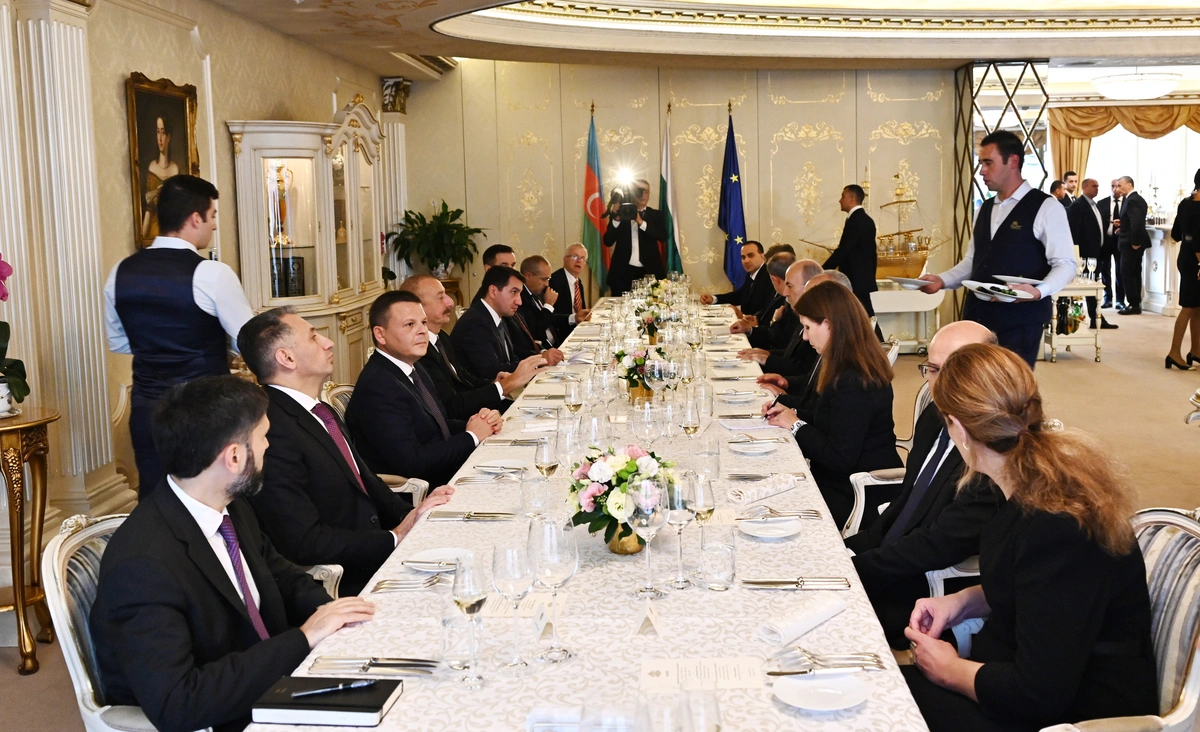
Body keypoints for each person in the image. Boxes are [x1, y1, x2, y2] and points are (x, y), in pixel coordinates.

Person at [90, 375, 377, 732]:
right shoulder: (143, 565)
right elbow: (178, 702)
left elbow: (283, 577)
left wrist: (335, 615)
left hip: (274, 680)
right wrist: (303, 638)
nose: (269, 446)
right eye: (264, 436)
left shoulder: (229, 506)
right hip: (229, 717)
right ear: (235, 456)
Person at [902, 343, 1157, 732]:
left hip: (1077, 712)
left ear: (959, 429)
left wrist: (949, 670)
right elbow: (1041, 590)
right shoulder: (1030, 481)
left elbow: (1038, 693)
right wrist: (962, 602)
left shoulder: (1057, 524)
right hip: (1030, 678)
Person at [236, 307, 454, 596]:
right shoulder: (271, 430)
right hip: (347, 580)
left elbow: (365, 481)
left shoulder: (319, 411)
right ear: (286, 358)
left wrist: (415, 516)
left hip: (380, 549)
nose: (329, 343)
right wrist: (393, 538)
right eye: (314, 337)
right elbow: (304, 540)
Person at [847, 321, 1005, 649]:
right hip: (892, 557)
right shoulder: (934, 415)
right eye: (934, 369)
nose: (941, 382)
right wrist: (847, 550)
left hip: (926, 589)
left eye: (958, 370)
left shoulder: (992, 451)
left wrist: (852, 571)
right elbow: (907, 503)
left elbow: (938, 544)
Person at [105, 174, 253, 498]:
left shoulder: (120, 272)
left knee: (157, 498)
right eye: (212, 216)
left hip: (147, 410)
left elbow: (119, 342)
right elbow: (248, 339)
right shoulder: (213, 274)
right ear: (195, 218)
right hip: (206, 411)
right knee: (213, 498)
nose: (214, 225)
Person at [919, 130, 1076, 368]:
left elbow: (1066, 264)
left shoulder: (1046, 207)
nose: (981, 170)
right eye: (981, 163)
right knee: (973, 382)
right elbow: (974, 262)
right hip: (977, 316)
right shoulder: (985, 209)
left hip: (1020, 320)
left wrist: (1038, 291)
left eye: (988, 163)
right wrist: (942, 280)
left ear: (1012, 161)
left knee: (1011, 384)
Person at [764, 281, 902, 529]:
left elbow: (839, 458)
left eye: (807, 328)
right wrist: (790, 412)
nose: (804, 336)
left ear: (828, 325)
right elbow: (831, 417)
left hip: (857, 492)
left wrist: (796, 425)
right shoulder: (847, 364)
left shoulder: (854, 379)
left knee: (771, 504)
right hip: (841, 479)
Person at [347, 292, 503, 487]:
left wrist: (477, 423)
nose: (422, 331)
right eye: (409, 325)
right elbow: (412, 462)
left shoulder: (413, 366)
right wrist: (471, 436)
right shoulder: (378, 387)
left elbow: (437, 425)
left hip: (445, 472)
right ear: (380, 334)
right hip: (423, 491)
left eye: (423, 322)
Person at [401, 275, 545, 417]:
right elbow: (452, 406)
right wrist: (508, 384)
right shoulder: (419, 352)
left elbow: (464, 378)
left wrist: (494, 383)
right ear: (417, 307)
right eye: (440, 297)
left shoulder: (441, 337)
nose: (450, 302)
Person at [754, 267, 848, 410]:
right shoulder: (825, 335)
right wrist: (786, 384)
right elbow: (813, 388)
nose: (805, 337)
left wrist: (793, 418)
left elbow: (824, 414)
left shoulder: (849, 364)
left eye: (813, 295)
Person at [453, 266, 562, 382]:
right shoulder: (475, 323)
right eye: (514, 292)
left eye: (519, 294)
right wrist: (539, 361)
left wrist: (541, 358)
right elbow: (494, 371)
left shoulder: (497, 315)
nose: (519, 301)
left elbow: (511, 358)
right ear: (493, 291)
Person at [1067, 178, 1117, 330]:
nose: (1097, 188)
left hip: (1096, 253)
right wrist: (1076, 255)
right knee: (1086, 288)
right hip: (1084, 255)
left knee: (1094, 287)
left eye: (1098, 186)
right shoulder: (1078, 206)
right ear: (1084, 187)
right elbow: (1074, 232)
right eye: (1094, 186)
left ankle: (1096, 318)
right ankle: (1088, 318)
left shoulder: (1095, 205)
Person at [602, 178, 667, 295]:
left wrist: (640, 221)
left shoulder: (656, 215)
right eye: (639, 191)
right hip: (622, 273)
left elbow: (663, 236)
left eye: (646, 191)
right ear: (633, 193)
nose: (643, 195)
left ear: (649, 194)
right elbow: (608, 241)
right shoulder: (621, 214)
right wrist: (616, 219)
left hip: (650, 272)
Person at [824, 184, 879, 321]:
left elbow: (844, 250)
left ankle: (876, 336)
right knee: (864, 317)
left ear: (852, 198)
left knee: (865, 317)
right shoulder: (863, 219)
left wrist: (822, 271)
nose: (840, 200)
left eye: (843, 196)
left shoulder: (856, 220)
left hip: (855, 280)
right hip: (860, 279)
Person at [1167, 169, 1200, 369]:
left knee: (1197, 306)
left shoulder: (1185, 203)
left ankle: (1196, 350)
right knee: (1188, 307)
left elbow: (1176, 234)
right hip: (1196, 260)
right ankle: (1174, 353)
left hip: (1186, 257)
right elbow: (1198, 241)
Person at [730, 251, 794, 348]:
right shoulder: (778, 292)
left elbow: (781, 340)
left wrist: (774, 321)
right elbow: (766, 308)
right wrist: (754, 319)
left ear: (774, 279)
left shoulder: (790, 300)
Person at [699, 241, 773, 317]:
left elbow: (768, 311)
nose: (746, 261)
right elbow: (740, 295)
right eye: (743, 257)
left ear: (762, 257)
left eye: (751, 255)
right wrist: (713, 299)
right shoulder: (752, 274)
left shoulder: (770, 277)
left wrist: (743, 316)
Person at [141, 116, 181, 244]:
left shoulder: (175, 169)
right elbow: (149, 207)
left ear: (169, 137)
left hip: (172, 230)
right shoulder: (152, 167)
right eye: (158, 132)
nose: (160, 138)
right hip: (154, 230)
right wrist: (143, 237)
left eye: (163, 133)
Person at [1116, 176, 1150, 315]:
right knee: (1134, 272)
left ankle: (1134, 304)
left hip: (1131, 244)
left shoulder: (1132, 200)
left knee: (1128, 273)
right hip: (1131, 241)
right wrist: (1122, 225)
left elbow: (1137, 223)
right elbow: (1132, 221)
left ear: (1129, 185)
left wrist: (1135, 242)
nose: (1117, 188)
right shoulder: (1134, 199)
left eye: (1120, 185)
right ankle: (1135, 303)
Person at [548, 244, 592, 342]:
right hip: (561, 337)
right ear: (564, 259)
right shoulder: (554, 281)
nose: (579, 261)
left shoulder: (578, 282)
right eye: (575, 257)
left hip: (577, 332)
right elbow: (549, 318)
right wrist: (574, 318)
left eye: (582, 258)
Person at [518, 255, 565, 349]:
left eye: (548, 279)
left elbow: (549, 318)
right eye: (544, 279)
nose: (547, 284)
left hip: (554, 344)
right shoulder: (520, 298)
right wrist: (548, 305)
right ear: (529, 276)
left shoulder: (537, 291)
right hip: (540, 350)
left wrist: (573, 318)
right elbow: (534, 331)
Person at [1098, 179, 1124, 310]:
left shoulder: (1127, 203)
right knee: (1105, 270)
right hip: (1106, 240)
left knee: (1120, 270)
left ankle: (1120, 300)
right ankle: (1107, 298)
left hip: (1121, 241)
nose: (1115, 189)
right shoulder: (1101, 203)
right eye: (1112, 186)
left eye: (1117, 186)